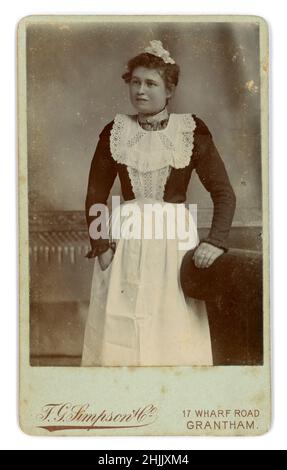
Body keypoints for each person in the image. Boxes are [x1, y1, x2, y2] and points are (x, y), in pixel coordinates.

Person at [81, 40, 236, 367]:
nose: (140, 90)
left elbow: (224, 193)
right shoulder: (115, 131)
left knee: (171, 323)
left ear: (170, 90)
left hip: (172, 241)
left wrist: (216, 241)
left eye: (150, 83)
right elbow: (96, 194)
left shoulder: (191, 132)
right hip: (124, 242)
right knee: (120, 325)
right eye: (135, 82)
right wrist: (101, 245)